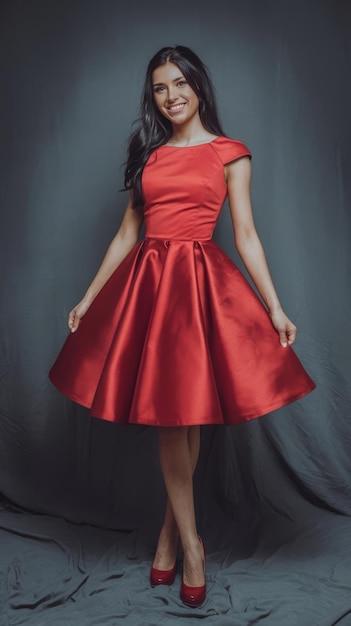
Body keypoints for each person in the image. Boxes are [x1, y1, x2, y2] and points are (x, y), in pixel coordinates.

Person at [49, 45, 315, 607]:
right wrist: (88, 295)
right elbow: (127, 234)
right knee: (175, 416)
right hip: (148, 287)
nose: (171, 97)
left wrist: (274, 307)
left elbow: (245, 235)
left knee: (184, 412)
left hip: (197, 287)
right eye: (160, 88)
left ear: (198, 85)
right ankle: (189, 540)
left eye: (179, 84)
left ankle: (176, 538)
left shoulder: (230, 153)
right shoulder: (148, 156)